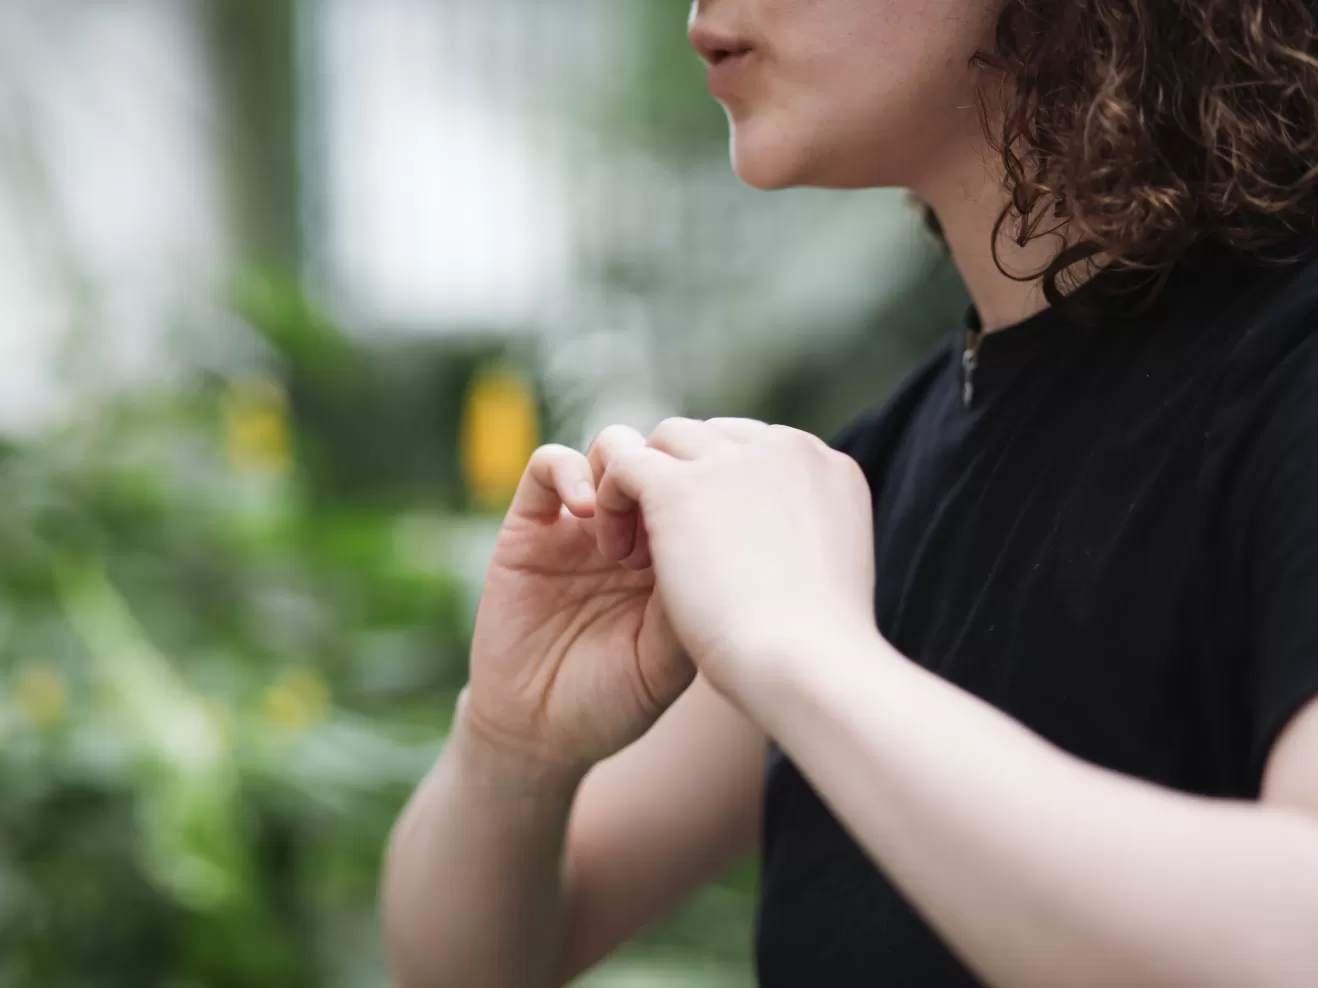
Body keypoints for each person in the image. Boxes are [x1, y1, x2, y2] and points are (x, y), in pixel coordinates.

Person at [382, 0, 1318, 985]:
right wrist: (510, 744)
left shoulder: (1289, 375)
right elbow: (476, 964)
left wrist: (803, 649)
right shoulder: (873, 474)